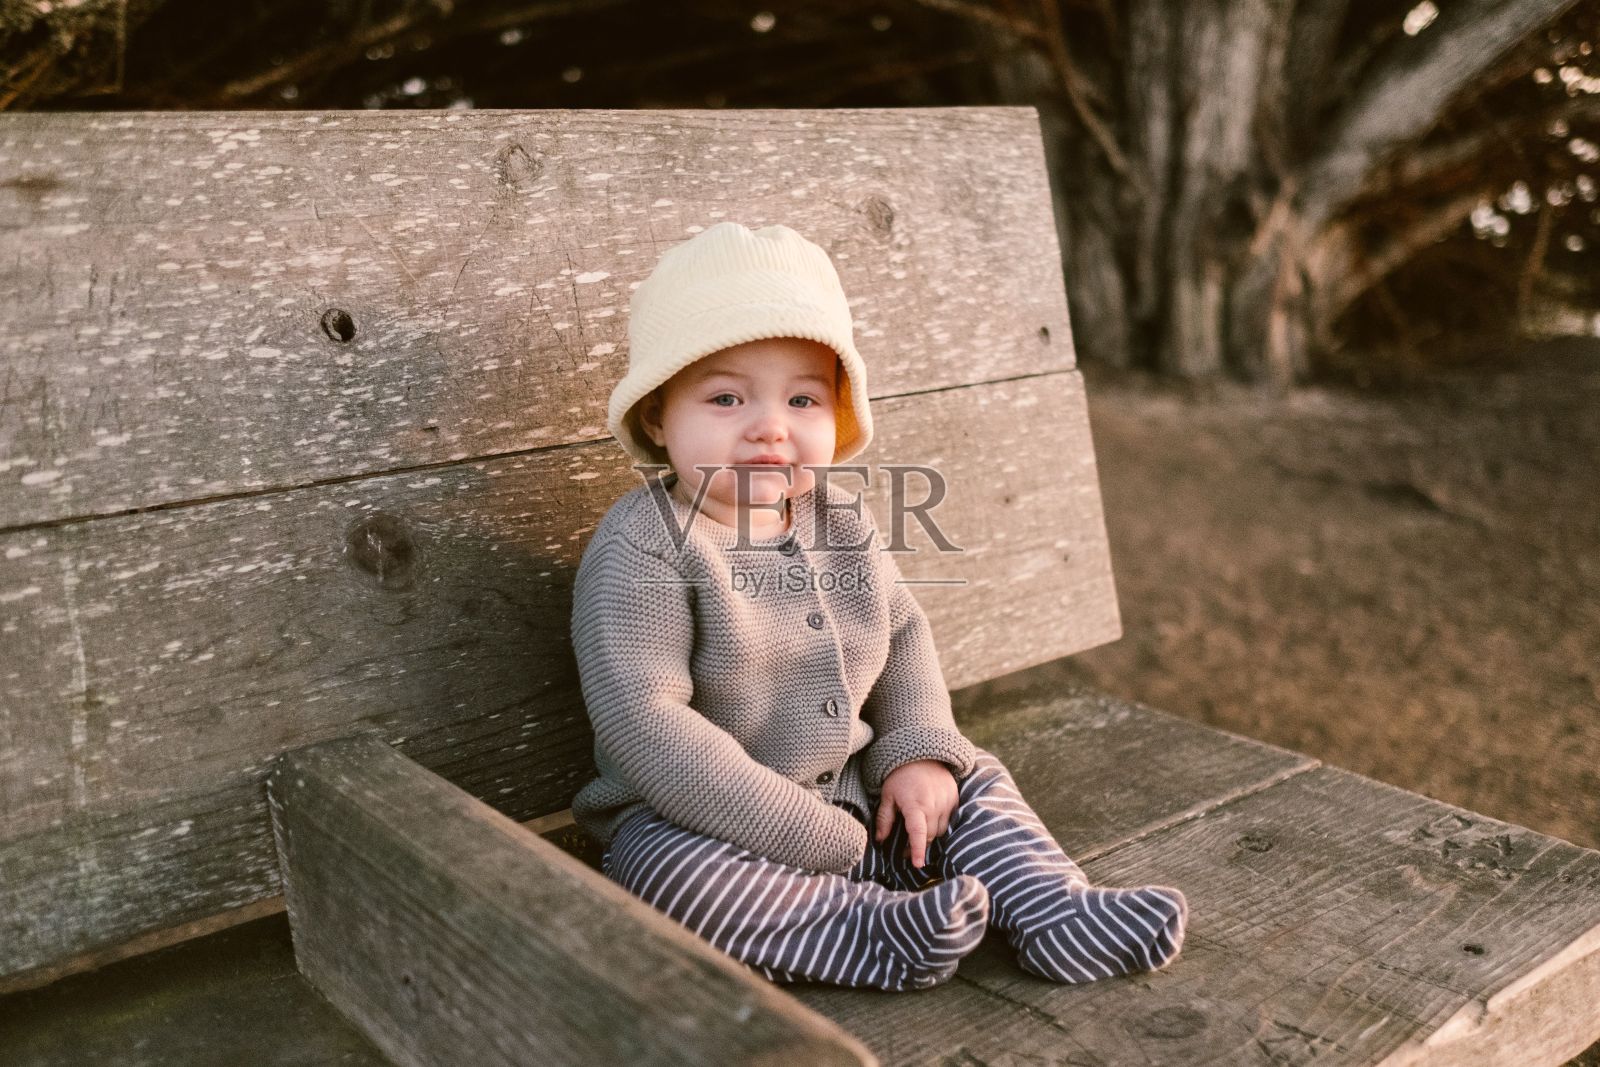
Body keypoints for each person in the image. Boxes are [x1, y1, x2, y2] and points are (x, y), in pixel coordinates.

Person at [569, 221, 1187, 991]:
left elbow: (900, 634)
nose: (769, 425)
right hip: (694, 820)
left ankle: (1055, 910)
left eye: (802, 396)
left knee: (973, 777)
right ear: (659, 418)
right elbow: (646, 724)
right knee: (667, 878)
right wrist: (806, 833)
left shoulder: (844, 521)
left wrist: (920, 750)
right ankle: (866, 931)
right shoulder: (647, 546)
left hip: (865, 798)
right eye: (725, 396)